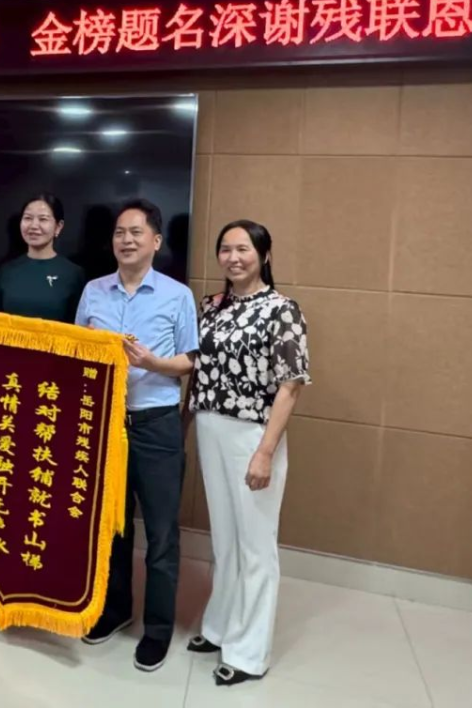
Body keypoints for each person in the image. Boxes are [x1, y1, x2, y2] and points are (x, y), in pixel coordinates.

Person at [75, 198, 198, 672]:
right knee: (112, 525)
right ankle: (115, 609)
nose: (126, 240)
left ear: (156, 241)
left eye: (136, 232)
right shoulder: (94, 291)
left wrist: (151, 362)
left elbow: (190, 361)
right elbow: (77, 349)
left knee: (162, 532)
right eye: (119, 233)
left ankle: (158, 629)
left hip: (156, 424)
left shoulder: (177, 295)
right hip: (105, 425)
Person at [185, 220, 310, 686]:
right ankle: (220, 626)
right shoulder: (211, 305)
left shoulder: (282, 310)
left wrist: (265, 451)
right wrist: (184, 423)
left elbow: (290, 386)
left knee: (256, 544)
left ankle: (249, 652)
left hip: (253, 434)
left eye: (243, 249)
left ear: (264, 255)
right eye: (225, 249)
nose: (233, 258)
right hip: (209, 427)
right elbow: (198, 370)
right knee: (225, 538)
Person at [0, 193, 85, 322]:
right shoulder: (6, 271)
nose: (34, 226)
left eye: (43, 219)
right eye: (28, 218)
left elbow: (78, 325)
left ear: (58, 226)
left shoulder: (73, 274)